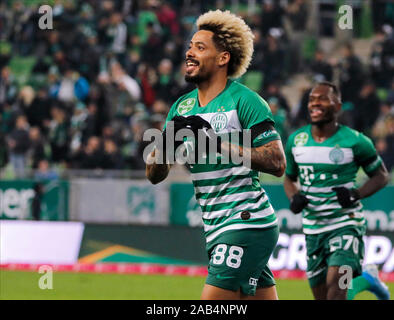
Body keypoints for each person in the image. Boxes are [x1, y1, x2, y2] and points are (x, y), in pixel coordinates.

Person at [146, 10, 286, 300]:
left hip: (246, 223)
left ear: (223, 58)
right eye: (189, 47)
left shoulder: (246, 101)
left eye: (200, 47)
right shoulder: (181, 108)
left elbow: (277, 162)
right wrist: (166, 143)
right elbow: (155, 175)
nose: (189, 53)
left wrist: (216, 143)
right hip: (216, 226)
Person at [283, 82, 390, 300]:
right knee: (325, 297)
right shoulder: (297, 140)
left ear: (338, 106)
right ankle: (366, 280)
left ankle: (360, 279)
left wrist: (355, 194)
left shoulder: (356, 141)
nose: (315, 103)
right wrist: (294, 196)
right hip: (313, 231)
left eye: (322, 99)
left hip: (345, 225)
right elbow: (289, 178)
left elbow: (381, 175)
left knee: (338, 290)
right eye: (312, 99)